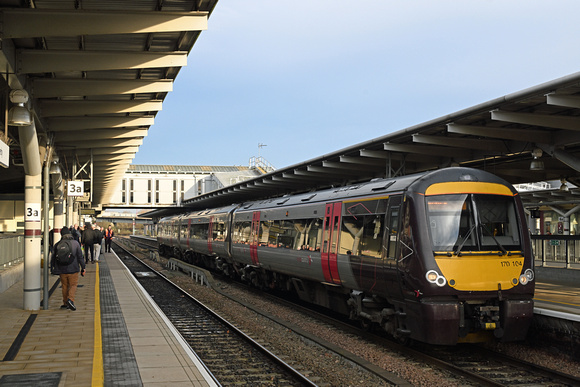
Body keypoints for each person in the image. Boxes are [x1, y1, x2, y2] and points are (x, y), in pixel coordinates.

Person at [51, 226, 86, 310]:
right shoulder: (75, 243)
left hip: (62, 269)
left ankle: (65, 303)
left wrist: (53, 269)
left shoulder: (57, 244)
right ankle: (70, 299)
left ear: (61, 234)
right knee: (73, 285)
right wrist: (83, 267)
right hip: (73, 269)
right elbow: (80, 257)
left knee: (64, 286)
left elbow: (53, 258)